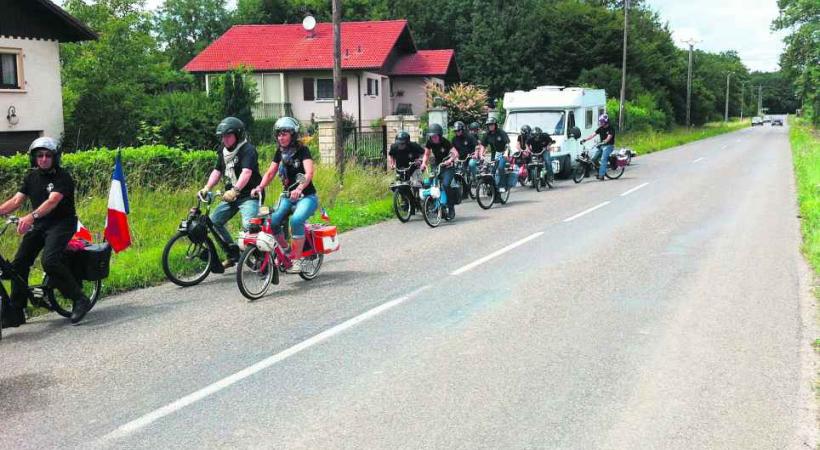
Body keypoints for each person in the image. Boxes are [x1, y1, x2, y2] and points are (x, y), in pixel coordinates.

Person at [0, 137, 91, 327]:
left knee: (49, 261)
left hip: (61, 224)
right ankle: (16, 312)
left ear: (55, 157)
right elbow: (16, 201)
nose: (43, 159)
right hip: (40, 225)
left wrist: (30, 217)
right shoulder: (31, 177)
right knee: (19, 264)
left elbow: (52, 202)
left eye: (48, 155)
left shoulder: (62, 177)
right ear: (34, 158)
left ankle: (79, 299)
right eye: (39, 155)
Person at [251, 117, 318, 274]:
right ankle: (287, 251)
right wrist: (260, 187)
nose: (281, 137)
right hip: (288, 196)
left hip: (306, 197)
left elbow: (309, 173)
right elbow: (270, 172)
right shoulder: (279, 152)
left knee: (296, 220)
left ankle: (297, 259)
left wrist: (300, 188)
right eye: (279, 134)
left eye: (285, 134)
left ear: (293, 135)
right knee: (272, 222)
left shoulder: (303, 151)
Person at [199, 117, 262, 268]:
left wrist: (235, 190)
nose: (224, 139)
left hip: (249, 195)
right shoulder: (223, 150)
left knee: (249, 226)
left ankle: (261, 258)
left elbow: (246, 173)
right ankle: (233, 254)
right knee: (214, 221)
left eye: (228, 135)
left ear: (238, 135)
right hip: (231, 196)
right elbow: (217, 170)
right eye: (222, 136)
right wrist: (207, 187)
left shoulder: (248, 150)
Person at [421, 123, 458, 220]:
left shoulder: (445, 142)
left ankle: (451, 208)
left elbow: (455, 153)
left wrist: (450, 160)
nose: (433, 138)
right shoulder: (430, 142)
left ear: (439, 135)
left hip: (448, 167)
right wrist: (424, 163)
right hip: (437, 166)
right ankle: (432, 206)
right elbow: (426, 154)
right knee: (428, 183)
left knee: (446, 185)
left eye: (435, 136)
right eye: (432, 136)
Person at [479, 117, 510, 192]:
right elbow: (483, 145)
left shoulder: (501, 132)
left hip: (503, 152)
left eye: (492, 124)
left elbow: (507, 144)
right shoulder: (487, 134)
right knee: (491, 171)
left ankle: (502, 185)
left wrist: (506, 154)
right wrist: (481, 154)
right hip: (494, 154)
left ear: (495, 125)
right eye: (489, 125)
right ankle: (492, 188)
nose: (490, 126)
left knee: (500, 168)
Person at [581, 113, 615, 180]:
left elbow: (609, 138)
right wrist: (585, 140)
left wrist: (604, 141)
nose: (601, 123)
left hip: (609, 146)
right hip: (602, 146)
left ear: (606, 122)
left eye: (602, 121)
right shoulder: (600, 128)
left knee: (603, 159)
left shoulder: (611, 128)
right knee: (593, 159)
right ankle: (599, 171)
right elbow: (592, 135)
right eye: (600, 121)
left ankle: (601, 176)